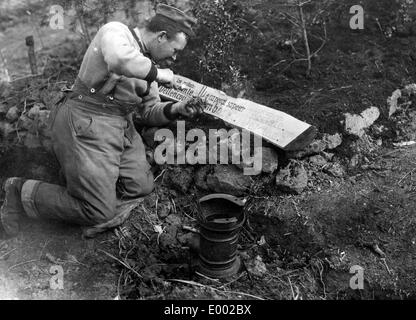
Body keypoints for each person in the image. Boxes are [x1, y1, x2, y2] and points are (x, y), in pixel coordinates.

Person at [0, 4, 202, 238]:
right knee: (98, 211)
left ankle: (84, 186)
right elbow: (118, 60)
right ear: (161, 37)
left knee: (142, 187)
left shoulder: (149, 66)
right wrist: (159, 74)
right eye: (175, 50)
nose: (175, 57)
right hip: (86, 121)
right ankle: (19, 190)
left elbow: (149, 111)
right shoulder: (116, 32)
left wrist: (177, 108)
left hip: (119, 125)